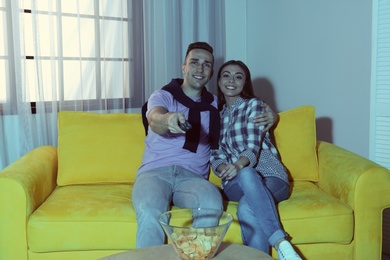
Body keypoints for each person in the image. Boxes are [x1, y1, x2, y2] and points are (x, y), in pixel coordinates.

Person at [132, 42, 277, 249]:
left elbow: (242, 106)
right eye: (194, 62)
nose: (200, 69)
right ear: (184, 67)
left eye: (206, 64)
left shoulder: (215, 105)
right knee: (149, 210)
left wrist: (273, 114)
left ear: (211, 73)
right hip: (154, 173)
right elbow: (155, 118)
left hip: (193, 178)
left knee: (211, 203)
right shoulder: (163, 95)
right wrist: (168, 120)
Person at [210, 60, 302, 260]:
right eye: (226, 75)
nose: (231, 80)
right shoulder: (216, 116)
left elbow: (253, 146)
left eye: (238, 76)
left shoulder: (255, 105)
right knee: (244, 174)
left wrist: (237, 165)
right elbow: (215, 153)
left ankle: (279, 246)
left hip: (270, 176)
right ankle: (282, 244)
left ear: (245, 83)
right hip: (234, 182)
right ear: (218, 81)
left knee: (245, 204)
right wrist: (223, 167)